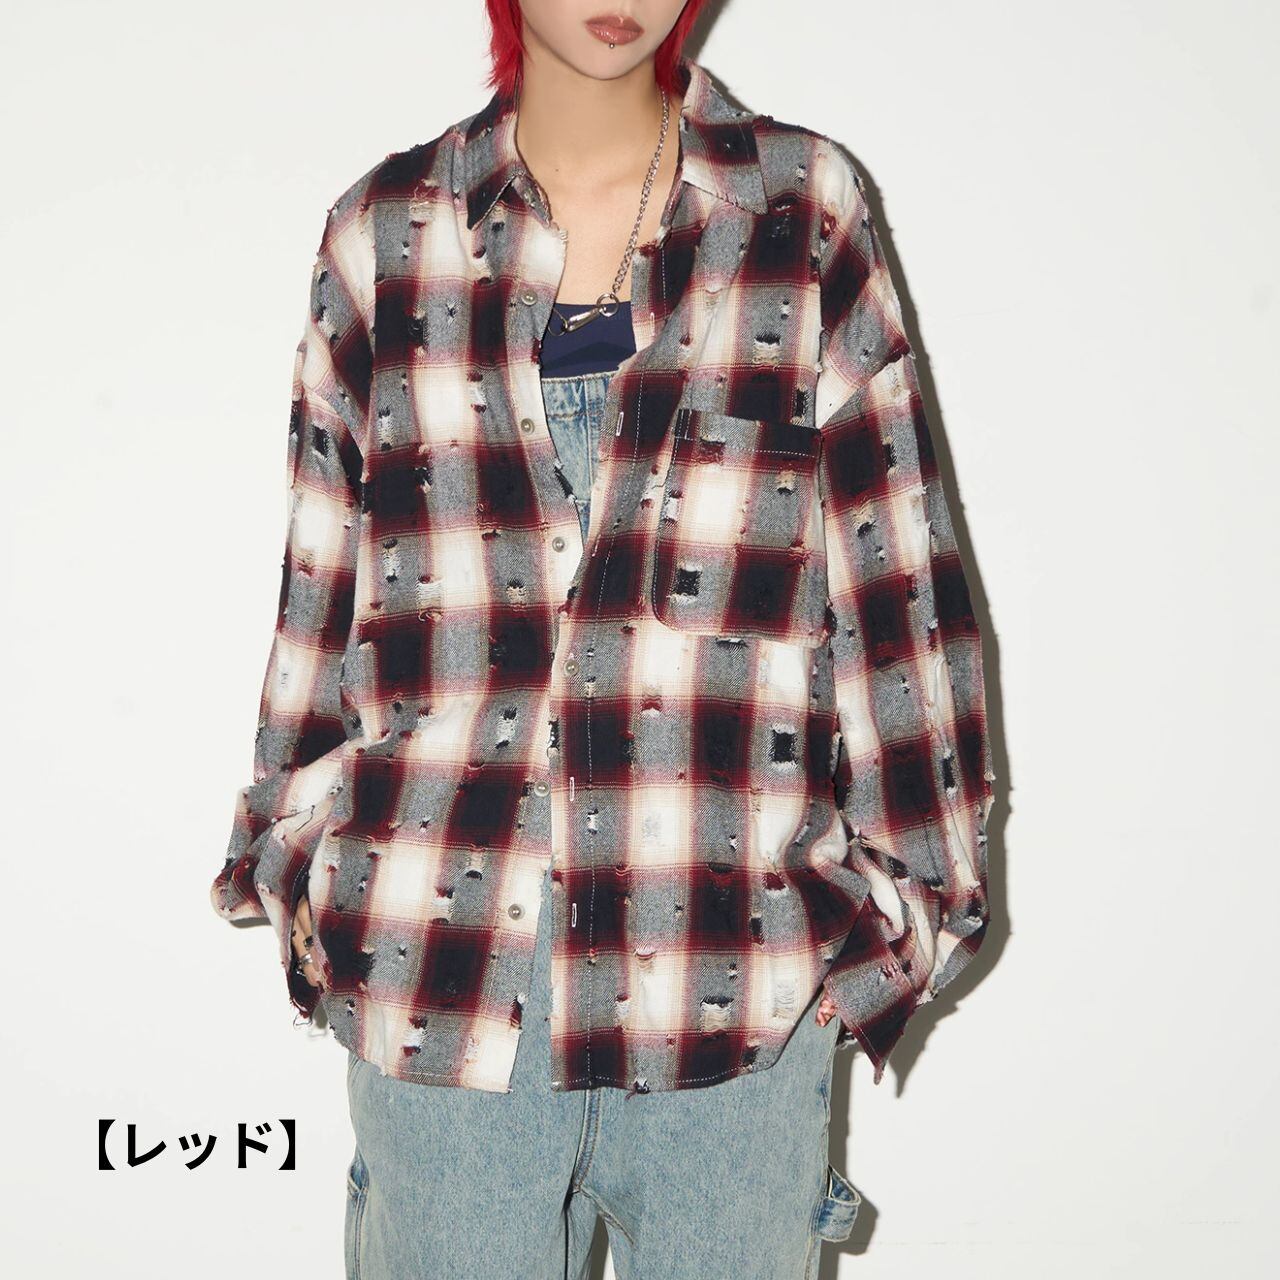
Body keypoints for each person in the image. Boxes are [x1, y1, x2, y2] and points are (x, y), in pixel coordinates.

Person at [209, 2, 997, 1276]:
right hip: (442, 984)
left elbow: (897, 582)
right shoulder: (384, 237)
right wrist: (298, 850)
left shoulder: (799, 215)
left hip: (734, 986)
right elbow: (322, 586)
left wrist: (897, 919)